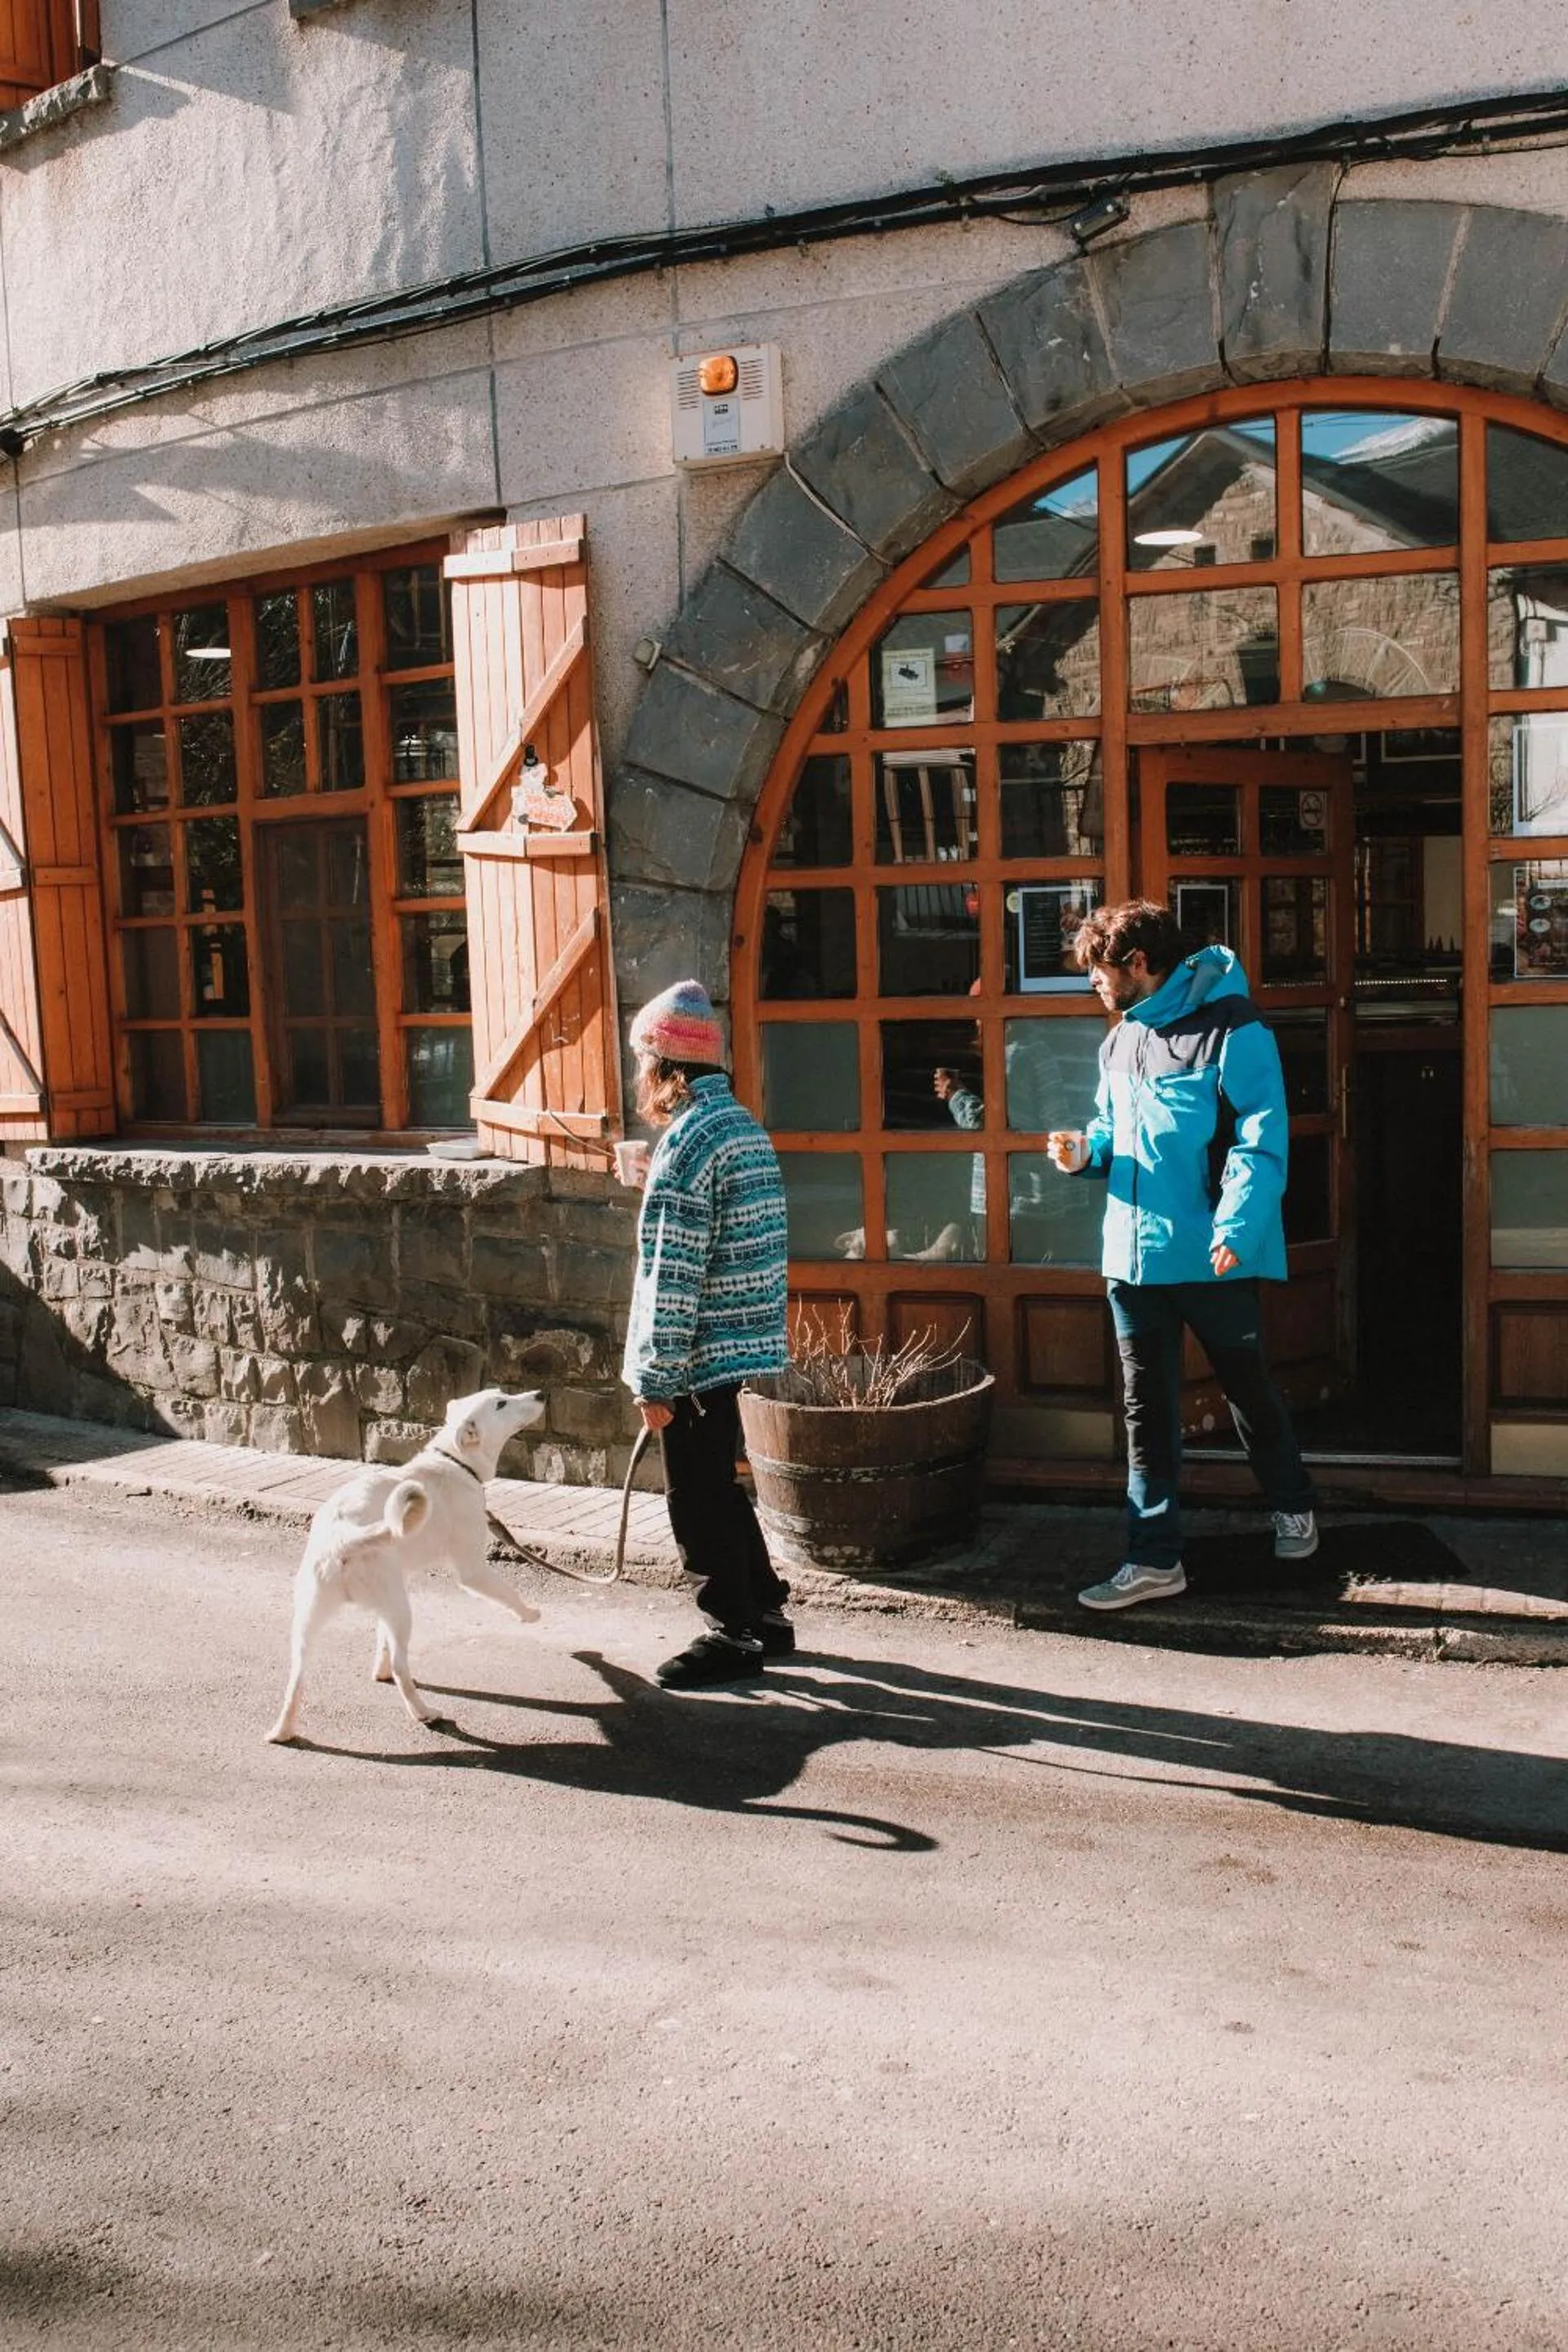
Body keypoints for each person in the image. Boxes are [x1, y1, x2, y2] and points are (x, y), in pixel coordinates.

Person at [1045, 900, 1318, 1610]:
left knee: (1247, 1389)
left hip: (1213, 1255)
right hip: (1130, 1262)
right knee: (1146, 1409)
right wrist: (1084, 1153)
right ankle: (1154, 1557)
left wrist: (1235, 1227)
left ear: (1138, 964)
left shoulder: (1236, 1029)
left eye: (1100, 972)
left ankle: (1292, 1504)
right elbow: (1111, 1132)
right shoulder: (1120, 1040)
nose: (1094, 986)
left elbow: (1261, 1140)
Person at [621, 979, 796, 1687]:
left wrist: (654, 1377)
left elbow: (671, 1273)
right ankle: (768, 1612)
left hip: (693, 1352)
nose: (639, 1075)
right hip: (738, 1340)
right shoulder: (738, 1126)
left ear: (662, 1066)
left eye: (642, 1061)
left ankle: (735, 1628)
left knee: (694, 1495)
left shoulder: (686, 1145)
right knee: (719, 1485)